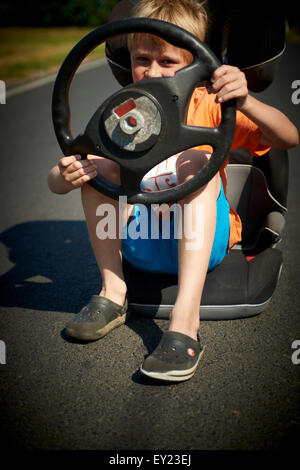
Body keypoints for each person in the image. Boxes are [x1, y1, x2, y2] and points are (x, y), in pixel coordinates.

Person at [48, 0, 299, 382]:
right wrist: (64, 176)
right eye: (142, 58)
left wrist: (246, 99)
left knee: (194, 163)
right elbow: (57, 179)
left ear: (195, 63)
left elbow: (289, 137)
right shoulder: (122, 113)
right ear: (129, 58)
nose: (151, 70)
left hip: (205, 242)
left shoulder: (212, 105)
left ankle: (185, 321)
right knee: (97, 167)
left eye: (168, 62)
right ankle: (113, 291)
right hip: (142, 242)